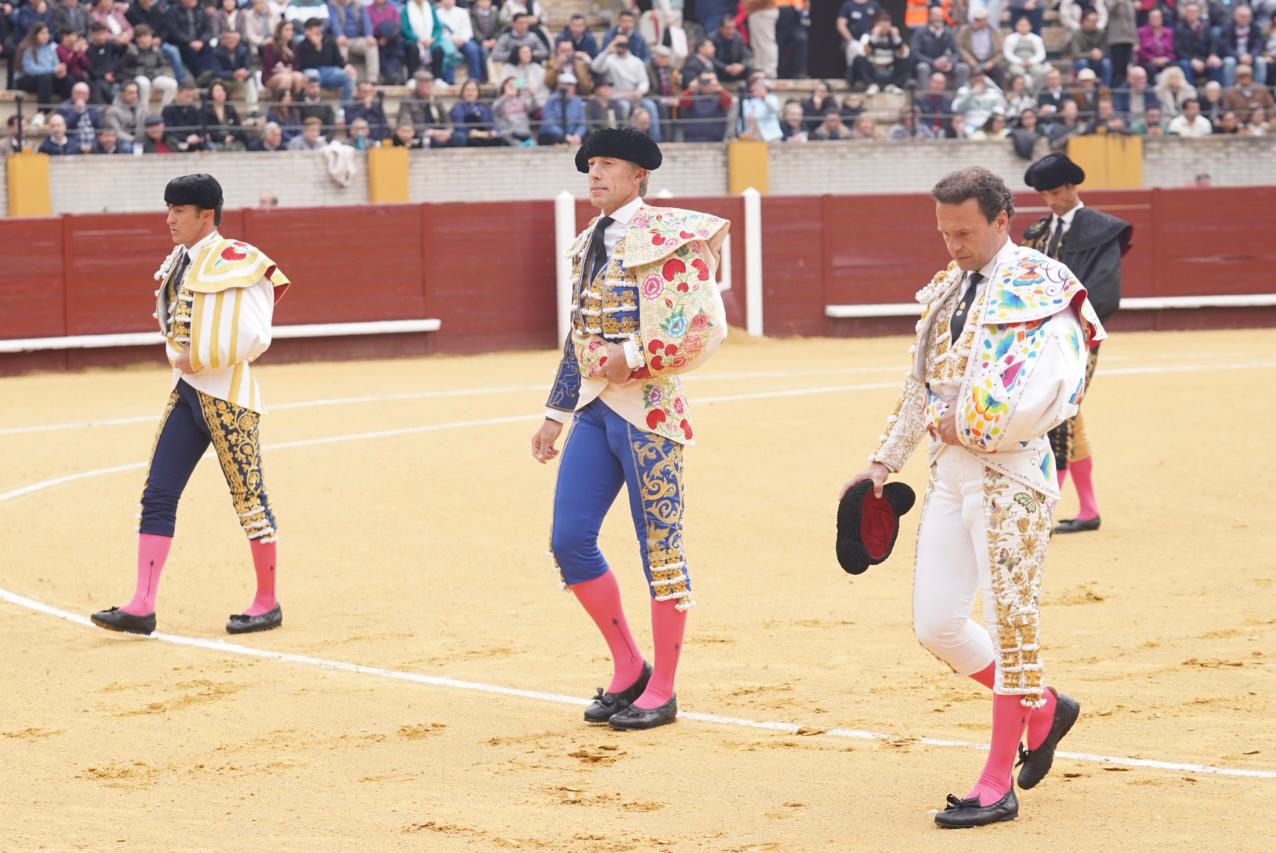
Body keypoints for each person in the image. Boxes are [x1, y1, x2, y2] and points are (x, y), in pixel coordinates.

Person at [841, 166, 1104, 829]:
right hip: (949, 472)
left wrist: (984, 426)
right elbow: (917, 387)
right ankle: (1041, 707)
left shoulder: (1045, 285)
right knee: (937, 623)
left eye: (962, 232)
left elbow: (1065, 377)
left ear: (999, 221)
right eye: (943, 232)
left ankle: (996, 781)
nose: (951, 244)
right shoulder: (943, 290)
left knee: (1014, 622)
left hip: (1013, 473)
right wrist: (883, 461)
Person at [532, 127, 729, 731]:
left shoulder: (671, 235)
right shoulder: (585, 243)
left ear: (637, 174)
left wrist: (638, 355)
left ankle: (663, 689)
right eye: (590, 164)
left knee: (661, 551)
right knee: (569, 541)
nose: (594, 174)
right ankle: (629, 666)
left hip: (650, 413)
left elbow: (703, 325)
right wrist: (555, 413)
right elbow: (580, 335)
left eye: (608, 164)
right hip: (595, 409)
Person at [91, 174, 292, 638]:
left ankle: (268, 601)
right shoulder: (179, 261)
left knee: (249, 500)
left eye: (178, 211)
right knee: (157, 493)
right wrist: (185, 362)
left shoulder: (239, 261)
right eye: (169, 210)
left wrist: (197, 357)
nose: (169, 219)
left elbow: (257, 336)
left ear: (206, 216)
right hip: (186, 394)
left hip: (230, 398)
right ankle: (142, 605)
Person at [1021, 154, 1132, 535]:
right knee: (1068, 414)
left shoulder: (1102, 230)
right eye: (1043, 195)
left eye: (1054, 192)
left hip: (1077, 339)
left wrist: (1067, 327)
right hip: (1036, 340)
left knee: (1058, 413)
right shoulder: (1037, 231)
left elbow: (1104, 294)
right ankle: (1087, 509)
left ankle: (1046, 510)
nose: (1049, 201)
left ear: (1072, 187)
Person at [15, 22, 73, 109]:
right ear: (35, 34)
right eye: (43, 33)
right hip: (26, 79)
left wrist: (60, 71)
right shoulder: (26, 48)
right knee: (45, 77)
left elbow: (56, 64)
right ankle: (43, 110)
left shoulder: (50, 48)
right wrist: (53, 70)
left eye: (47, 33)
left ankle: (68, 108)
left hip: (46, 80)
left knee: (67, 78)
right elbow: (30, 69)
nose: (46, 36)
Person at [297, 16, 355, 100]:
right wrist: (316, 47)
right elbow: (305, 63)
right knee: (313, 75)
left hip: (329, 72)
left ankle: (344, 108)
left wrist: (346, 66)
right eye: (313, 28)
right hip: (311, 71)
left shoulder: (329, 41)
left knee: (348, 76)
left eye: (318, 28)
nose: (316, 31)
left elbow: (338, 58)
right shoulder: (302, 45)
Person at [851, 11, 909, 94]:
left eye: (887, 25)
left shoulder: (894, 37)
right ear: (876, 25)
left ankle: (894, 85)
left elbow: (904, 54)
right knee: (859, 59)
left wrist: (896, 38)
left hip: (889, 68)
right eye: (882, 26)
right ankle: (871, 85)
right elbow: (863, 53)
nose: (885, 28)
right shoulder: (868, 36)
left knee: (905, 60)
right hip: (872, 68)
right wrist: (874, 38)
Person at [1174, 2, 1230, 86]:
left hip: (1204, 58)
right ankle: (1191, 91)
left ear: (1199, 13)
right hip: (1189, 59)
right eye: (1189, 12)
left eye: (1194, 12)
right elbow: (1178, 50)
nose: (1192, 14)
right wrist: (1192, 60)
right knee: (1184, 64)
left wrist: (1212, 55)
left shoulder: (1206, 26)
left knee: (1215, 63)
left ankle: (1217, 90)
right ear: (1185, 13)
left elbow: (1212, 43)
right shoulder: (1179, 28)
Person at [912, 6, 968, 89]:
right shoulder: (920, 32)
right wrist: (932, 62)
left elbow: (957, 53)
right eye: (936, 16)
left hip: (945, 65)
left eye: (940, 16)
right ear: (929, 17)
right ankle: (924, 97)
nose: (938, 19)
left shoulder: (948, 32)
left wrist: (951, 63)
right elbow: (915, 53)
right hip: (929, 64)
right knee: (922, 67)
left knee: (963, 68)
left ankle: (958, 99)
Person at [124, 24, 177, 107]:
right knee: (144, 83)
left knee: (172, 84)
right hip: (139, 77)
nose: (145, 39)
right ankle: (143, 110)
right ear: (137, 39)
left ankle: (164, 109)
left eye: (147, 36)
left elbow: (162, 65)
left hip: (154, 76)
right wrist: (137, 72)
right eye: (142, 37)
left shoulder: (156, 50)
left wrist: (156, 73)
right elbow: (123, 68)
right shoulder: (131, 51)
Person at [327, 0, 379, 83]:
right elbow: (334, 23)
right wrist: (339, 35)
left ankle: (372, 80)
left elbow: (366, 21)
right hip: (342, 39)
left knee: (371, 45)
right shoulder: (333, 4)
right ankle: (344, 79)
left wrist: (369, 35)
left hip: (357, 39)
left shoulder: (358, 5)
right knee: (340, 47)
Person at [397, 70, 453, 148]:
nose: (428, 85)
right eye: (425, 83)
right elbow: (406, 123)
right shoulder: (408, 101)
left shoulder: (436, 100)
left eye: (430, 82)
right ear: (417, 84)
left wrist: (447, 132)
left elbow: (447, 120)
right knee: (425, 140)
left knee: (458, 138)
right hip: (421, 134)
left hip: (438, 132)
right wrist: (431, 132)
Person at [677, 70, 733, 142]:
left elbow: (728, 103)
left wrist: (719, 89)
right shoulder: (692, 94)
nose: (706, 84)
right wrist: (690, 90)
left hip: (715, 140)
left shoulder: (720, 95)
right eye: (703, 81)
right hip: (692, 139)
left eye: (709, 81)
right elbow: (682, 103)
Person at [434, 0, 480, 84]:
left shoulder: (462, 12)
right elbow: (439, 32)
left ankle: (475, 78)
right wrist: (452, 40)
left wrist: (463, 39)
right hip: (446, 42)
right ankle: (449, 80)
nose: (448, 1)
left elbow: (468, 30)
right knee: (449, 51)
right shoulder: (437, 13)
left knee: (473, 49)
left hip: (463, 41)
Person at [957, 8, 1005, 88]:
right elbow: (959, 47)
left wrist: (992, 62)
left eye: (978, 20)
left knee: (999, 70)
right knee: (964, 69)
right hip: (971, 61)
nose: (976, 22)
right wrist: (969, 60)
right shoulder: (965, 31)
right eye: (975, 19)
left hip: (989, 61)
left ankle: (1001, 94)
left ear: (985, 21)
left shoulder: (995, 32)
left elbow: (1000, 51)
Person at [449, 77, 503, 146]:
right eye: (467, 90)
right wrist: (474, 133)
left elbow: (492, 124)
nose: (470, 93)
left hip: (485, 135)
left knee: (499, 136)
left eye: (473, 90)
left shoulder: (485, 107)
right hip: (469, 135)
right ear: (463, 92)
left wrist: (491, 132)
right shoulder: (458, 106)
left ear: (478, 92)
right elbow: (459, 126)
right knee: (460, 136)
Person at [539, 71, 587, 145]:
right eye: (566, 85)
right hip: (554, 134)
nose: (569, 88)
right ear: (559, 86)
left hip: (573, 134)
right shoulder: (551, 100)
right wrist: (565, 136)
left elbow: (582, 123)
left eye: (572, 85)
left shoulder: (577, 101)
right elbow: (549, 124)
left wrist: (578, 135)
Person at [1003, 14, 1049, 89]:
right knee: (1018, 73)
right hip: (1016, 64)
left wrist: (1030, 61)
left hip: (1032, 63)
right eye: (1021, 25)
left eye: (1025, 25)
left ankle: (1036, 95)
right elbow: (1008, 53)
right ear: (1016, 26)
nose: (1023, 27)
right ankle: (1020, 95)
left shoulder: (1036, 38)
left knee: (1040, 72)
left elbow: (1041, 54)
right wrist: (1020, 61)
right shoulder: (1010, 38)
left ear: (1030, 26)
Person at [261, 20, 307, 93]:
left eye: (291, 29)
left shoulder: (293, 46)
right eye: (287, 30)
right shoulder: (270, 46)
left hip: (289, 72)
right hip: (271, 75)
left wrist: (291, 68)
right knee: (286, 78)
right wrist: (282, 69)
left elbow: (297, 63)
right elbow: (270, 64)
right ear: (280, 31)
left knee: (299, 77)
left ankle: (298, 101)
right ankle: (283, 102)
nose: (290, 32)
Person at [162, 82, 207, 150]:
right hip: (176, 142)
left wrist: (199, 136)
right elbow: (169, 131)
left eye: (192, 96)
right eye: (187, 96)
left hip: (193, 141)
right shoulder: (168, 109)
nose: (190, 99)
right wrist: (186, 139)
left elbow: (199, 126)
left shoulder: (193, 109)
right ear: (178, 94)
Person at [837, 0, 881, 69]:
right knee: (853, 59)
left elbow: (880, 22)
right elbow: (841, 25)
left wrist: (873, 36)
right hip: (853, 41)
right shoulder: (848, 4)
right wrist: (851, 40)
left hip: (869, 40)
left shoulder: (874, 4)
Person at [202, 80, 246, 149]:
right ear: (211, 94)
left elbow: (238, 126)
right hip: (215, 141)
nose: (221, 93)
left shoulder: (230, 108)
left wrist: (232, 137)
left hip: (232, 141)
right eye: (217, 91)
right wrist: (223, 138)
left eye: (223, 90)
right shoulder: (206, 110)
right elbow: (208, 130)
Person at [492, 75, 535, 144]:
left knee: (533, 146)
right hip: (508, 135)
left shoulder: (523, 100)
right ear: (504, 87)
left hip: (524, 133)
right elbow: (495, 110)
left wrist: (531, 93)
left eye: (514, 84)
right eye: (509, 84)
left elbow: (531, 108)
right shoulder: (499, 101)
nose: (511, 86)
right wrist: (506, 96)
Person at [710, 17, 752, 83]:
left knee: (750, 67)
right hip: (720, 69)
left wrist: (741, 65)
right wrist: (725, 67)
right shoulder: (712, 38)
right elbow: (710, 58)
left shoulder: (738, 37)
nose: (731, 31)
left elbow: (746, 54)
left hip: (735, 68)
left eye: (733, 28)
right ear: (721, 28)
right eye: (728, 28)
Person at [739, 76, 783, 141]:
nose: (758, 87)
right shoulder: (746, 102)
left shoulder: (771, 98)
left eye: (760, 85)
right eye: (756, 85)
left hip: (771, 137)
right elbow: (743, 120)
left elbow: (775, 110)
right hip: (753, 138)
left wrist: (764, 96)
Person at [103, 78, 144, 144]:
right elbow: (117, 132)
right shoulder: (111, 111)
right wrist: (134, 140)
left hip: (140, 140)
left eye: (136, 92)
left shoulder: (142, 107)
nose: (135, 96)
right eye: (131, 93)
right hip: (122, 142)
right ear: (121, 94)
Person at [1136, 8, 1175, 79]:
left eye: (1158, 17)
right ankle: (1152, 89)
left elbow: (1173, 49)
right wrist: (1153, 60)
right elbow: (1140, 51)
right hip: (1147, 62)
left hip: (1165, 61)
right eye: (1153, 17)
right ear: (1148, 19)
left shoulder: (1169, 32)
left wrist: (1167, 58)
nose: (1156, 19)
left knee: (1173, 66)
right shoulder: (1141, 32)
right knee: (1151, 68)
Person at [775, 0, 808, 78]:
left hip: (796, 13)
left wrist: (805, 13)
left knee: (801, 39)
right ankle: (779, 73)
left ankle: (797, 72)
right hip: (777, 10)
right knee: (778, 43)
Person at [746, 0, 779, 79]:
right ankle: (759, 69)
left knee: (766, 42)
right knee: (756, 43)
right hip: (756, 11)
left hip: (764, 10)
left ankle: (769, 71)